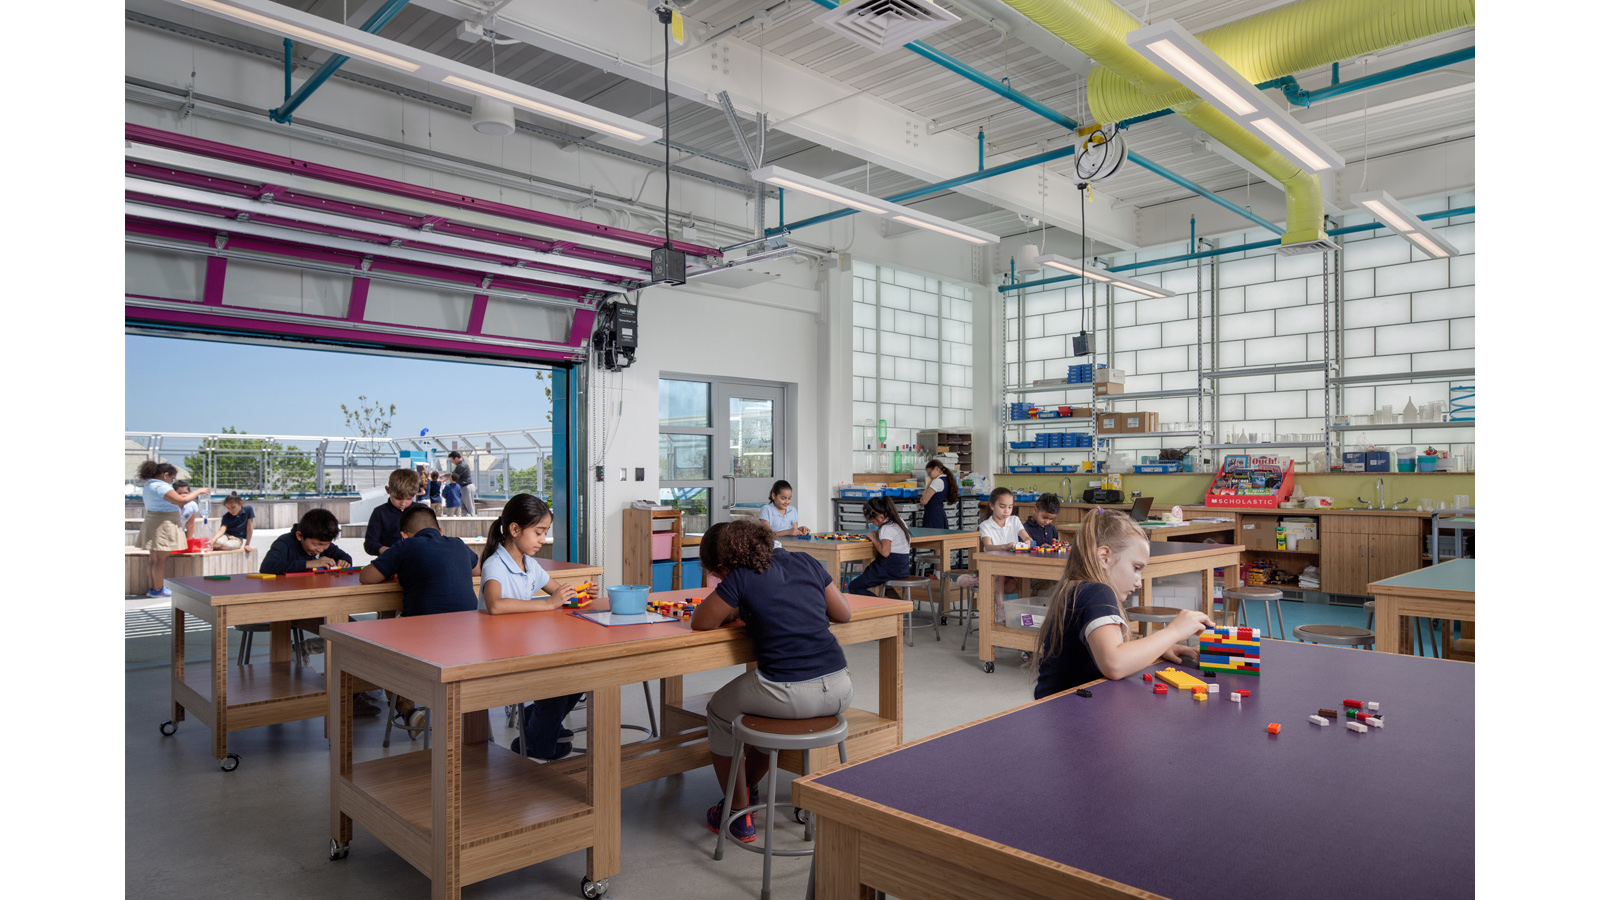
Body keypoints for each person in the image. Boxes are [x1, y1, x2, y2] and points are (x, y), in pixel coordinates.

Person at [690, 520, 852, 843]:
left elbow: (701, 621)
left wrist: (734, 607)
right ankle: (748, 791)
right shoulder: (805, 560)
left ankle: (737, 813)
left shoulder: (741, 576)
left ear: (728, 560)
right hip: (839, 686)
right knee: (762, 712)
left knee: (718, 712)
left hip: (788, 692)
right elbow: (843, 613)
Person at [1032, 509, 1212, 700]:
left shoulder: (1077, 588)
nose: (1139, 582)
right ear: (1104, 557)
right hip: (1067, 715)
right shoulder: (1097, 592)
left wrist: (1157, 648)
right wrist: (1174, 631)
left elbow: (1106, 650)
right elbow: (1114, 663)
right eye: (1136, 568)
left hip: (1059, 711)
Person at [479, 494, 581, 760]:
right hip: (502, 653)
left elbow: (559, 592)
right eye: (538, 532)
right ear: (515, 529)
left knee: (580, 678)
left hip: (527, 646)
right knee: (556, 689)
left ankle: (535, 723)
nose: (543, 540)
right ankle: (536, 741)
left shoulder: (530, 565)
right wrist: (548, 605)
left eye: (545, 532)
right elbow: (495, 605)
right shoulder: (495, 564)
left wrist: (581, 593)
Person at [361, 504, 481, 729]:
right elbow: (478, 570)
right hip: (468, 639)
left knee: (383, 644)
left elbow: (366, 578)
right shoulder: (458, 544)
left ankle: (408, 710)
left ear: (404, 534)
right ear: (440, 530)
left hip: (423, 641)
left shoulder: (405, 547)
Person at [135, 461, 210, 598]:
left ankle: (153, 588)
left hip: (153, 521)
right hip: (163, 523)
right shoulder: (161, 487)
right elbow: (182, 501)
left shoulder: (149, 485)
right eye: (172, 478)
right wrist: (199, 491)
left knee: (154, 558)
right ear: (165, 475)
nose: (172, 482)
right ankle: (158, 589)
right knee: (160, 559)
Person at [846, 496, 912, 597]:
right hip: (902, 567)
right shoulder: (899, 521)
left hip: (889, 567)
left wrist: (874, 538)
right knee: (883, 585)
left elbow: (885, 552)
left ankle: (877, 606)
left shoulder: (886, 528)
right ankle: (899, 607)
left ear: (881, 517)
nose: (874, 525)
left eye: (873, 522)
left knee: (854, 587)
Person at [260, 509, 354, 574]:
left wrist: (344, 562)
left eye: (326, 544)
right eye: (316, 544)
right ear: (300, 536)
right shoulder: (284, 543)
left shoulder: (324, 544)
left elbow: (345, 557)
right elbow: (267, 566)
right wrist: (308, 564)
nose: (320, 549)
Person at [979, 488, 1032, 598]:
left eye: (1010, 507)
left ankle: (1024, 607)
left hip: (1013, 564)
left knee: (1014, 583)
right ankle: (1000, 607)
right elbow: (988, 547)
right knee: (1000, 576)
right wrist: (1005, 546)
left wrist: (1028, 541)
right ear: (992, 506)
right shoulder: (985, 525)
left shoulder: (1014, 520)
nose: (1007, 511)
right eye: (1002, 507)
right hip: (994, 565)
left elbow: (1026, 536)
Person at [365, 468, 420, 558]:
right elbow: (369, 544)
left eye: (409, 499)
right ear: (388, 490)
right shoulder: (380, 512)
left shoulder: (421, 511)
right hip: (389, 561)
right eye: (398, 498)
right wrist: (382, 549)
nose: (403, 503)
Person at [919, 460, 958, 530]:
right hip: (939, 513)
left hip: (933, 515)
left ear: (937, 468)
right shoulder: (945, 479)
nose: (929, 476)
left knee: (931, 536)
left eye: (929, 473)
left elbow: (924, 500)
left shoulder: (937, 481)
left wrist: (930, 482)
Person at [448, 450, 476, 515]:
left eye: (453, 460)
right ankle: (469, 518)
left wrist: (444, 476)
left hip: (466, 487)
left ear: (456, 458)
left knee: (469, 508)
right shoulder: (459, 465)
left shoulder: (462, 465)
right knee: (462, 507)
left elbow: (454, 476)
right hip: (463, 488)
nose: (453, 462)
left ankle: (472, 520)